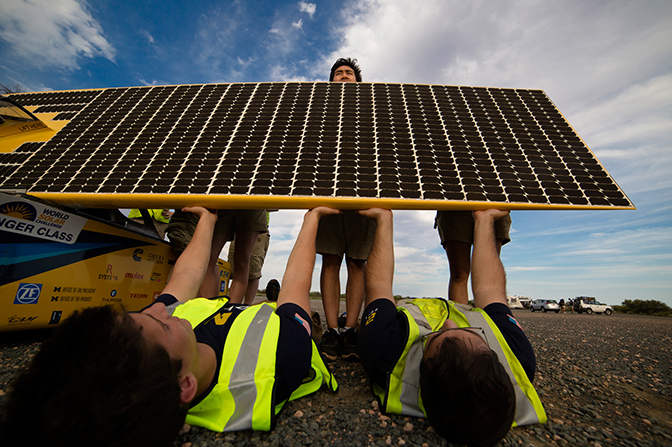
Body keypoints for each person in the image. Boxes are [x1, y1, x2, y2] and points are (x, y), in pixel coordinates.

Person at [0, 206, 338, 446]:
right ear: (186, 385)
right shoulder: (280, 361)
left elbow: (182, 281)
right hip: (288, 328)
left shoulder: (152, 353)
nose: (161, 311)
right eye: (160, 324)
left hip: (224, 319)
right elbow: (294, 287)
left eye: (144, 313)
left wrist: (207, 219)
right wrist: (313, 218)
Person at [357, 208, 546, 446]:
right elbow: (490, 291)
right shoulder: (518, 359)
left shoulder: (381, 349)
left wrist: (384, 219)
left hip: (398, 320)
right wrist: (484, 218)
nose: (449, 323)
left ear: (422, 369)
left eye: (437, 338)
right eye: (473, 335)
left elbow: (379, 285)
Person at [317, 57, 375, 361]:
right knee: (330, 260)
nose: (343, 76)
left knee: (356, 262)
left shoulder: (373, 109)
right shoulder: (318, 109)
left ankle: (350, 329)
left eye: (348, 73)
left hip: (362, 192)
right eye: (338, 73)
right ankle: (331, 329)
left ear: (357, 81)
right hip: (326, 191)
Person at [167, 208, 267, 303]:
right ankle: (210, 308)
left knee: (242, 259)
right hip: (224, 205)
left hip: (252, 206)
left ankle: (233, 307)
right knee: (209, 257)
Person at [434, 210, 511, 303]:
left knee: (487, 273)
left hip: (493, 204)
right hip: (455, 208)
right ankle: (459, 316)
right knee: (459, 273)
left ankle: (488, 316)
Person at [227, 211, 275, 304]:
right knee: (234, 267)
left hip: (256, 226)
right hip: (237, 225)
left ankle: (246, 305)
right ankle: (232, 306)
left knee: (253, 271)